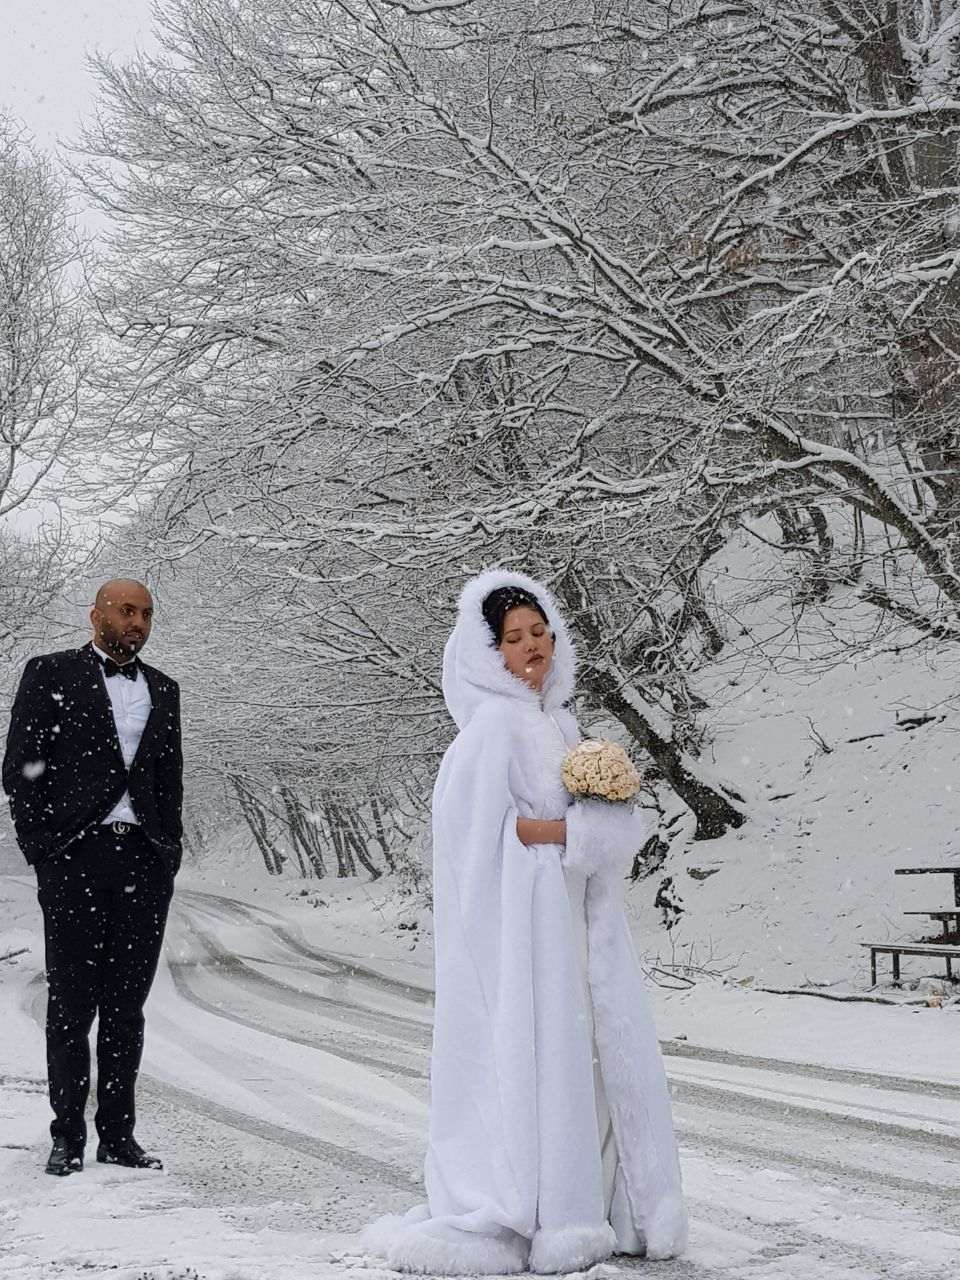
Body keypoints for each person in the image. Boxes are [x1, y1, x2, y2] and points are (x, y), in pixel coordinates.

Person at [363, 569, 686, 1274]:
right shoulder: (490, 732)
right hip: (526, 936)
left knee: (585, 1054)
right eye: (515, 638)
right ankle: (542, 1205)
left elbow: (573, 832)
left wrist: (598, 825)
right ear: (490, 654)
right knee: (538, 1054)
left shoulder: (560, 725)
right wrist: (568, 833)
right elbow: (475, 840)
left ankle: (590, 1201)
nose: (532, 646)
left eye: (539, 632)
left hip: (573, 925)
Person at [2, 579, 183, 1176]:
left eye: (146, 614)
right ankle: (66, 1137)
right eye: (127, 611)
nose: (138, 622)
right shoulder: (51, 673)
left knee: (127, 1008)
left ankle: (119, 1137)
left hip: (144, 864)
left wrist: (168, 852)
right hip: (74, 861)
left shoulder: (164, 688)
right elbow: (21, 769)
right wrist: (43, 850)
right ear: (97, 614)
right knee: (71, 1006)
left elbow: (168, 781)